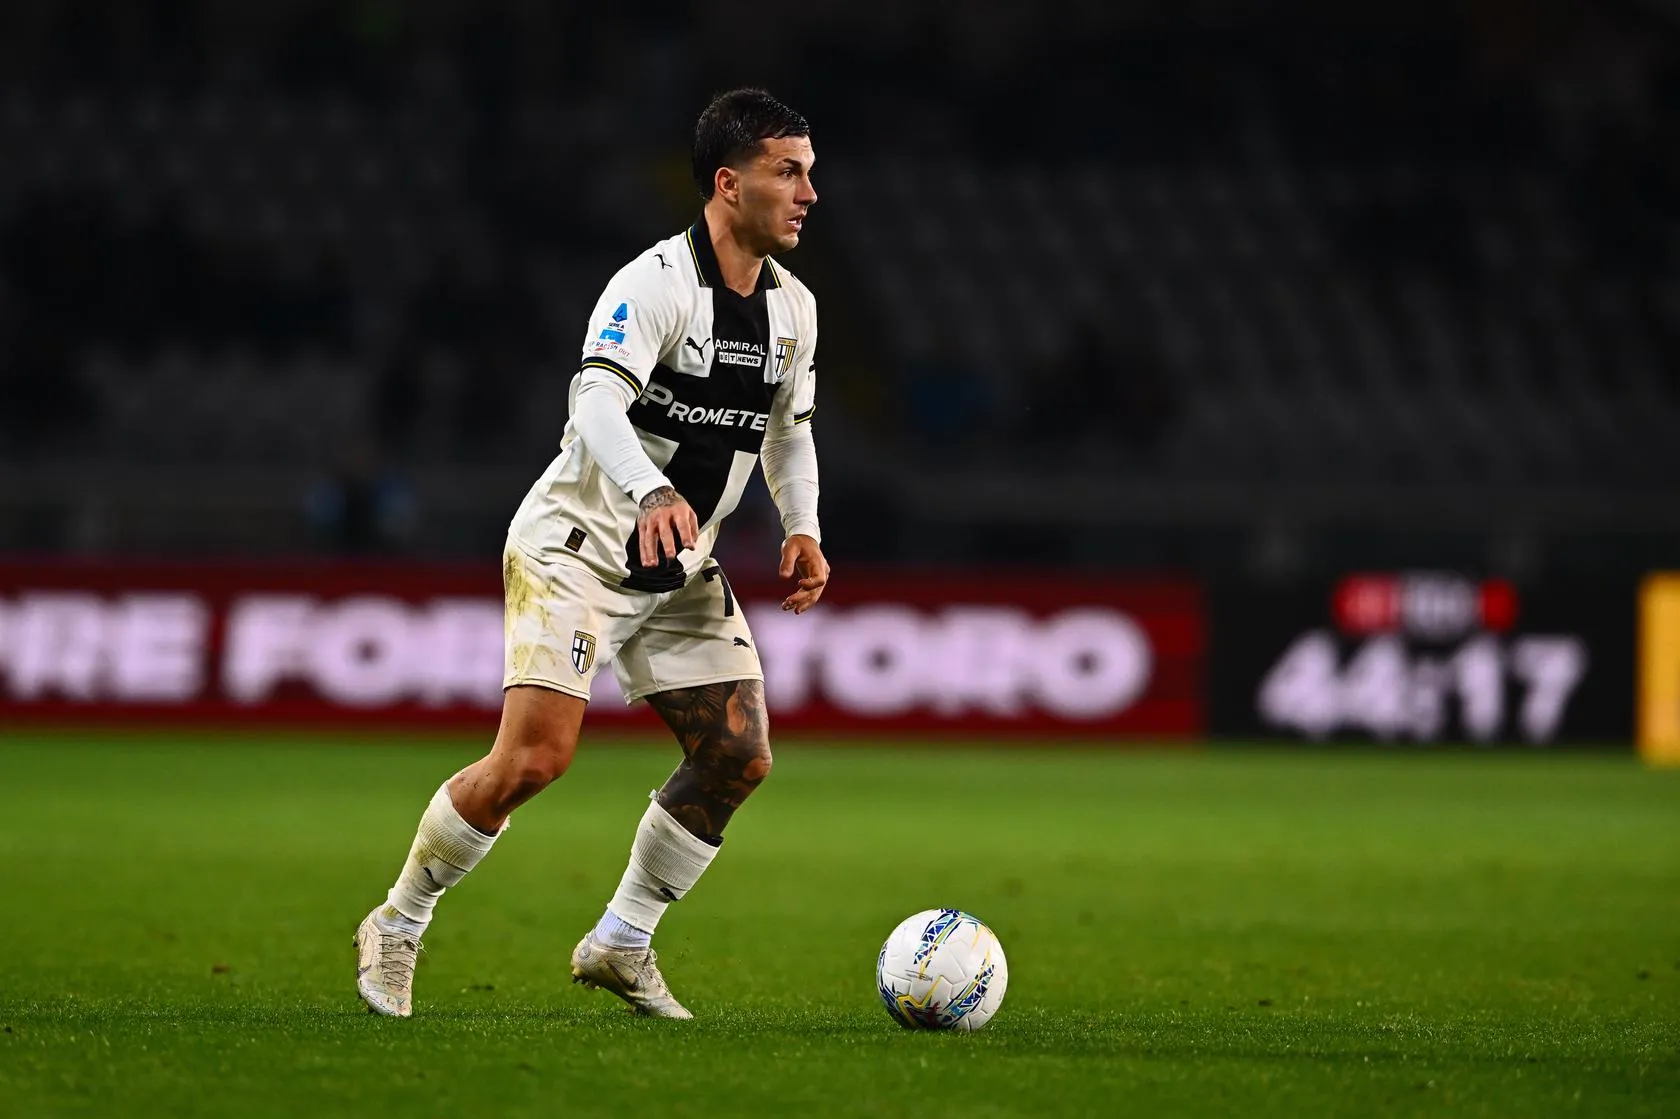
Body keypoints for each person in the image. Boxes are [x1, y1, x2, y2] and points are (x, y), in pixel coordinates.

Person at [354, 88, 828, 1019]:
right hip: (576, 546)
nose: (810, 192)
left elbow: (788, 430)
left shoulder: (795, 311)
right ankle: (398, 920)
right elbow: (596, 402)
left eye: (810, 172)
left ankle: (622, 940)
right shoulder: (652, 285)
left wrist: (801, 525)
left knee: (737, 752)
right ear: (729, 184)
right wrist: (650, 491)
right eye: (789, 172)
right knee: (533, 760)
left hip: (677, 562)